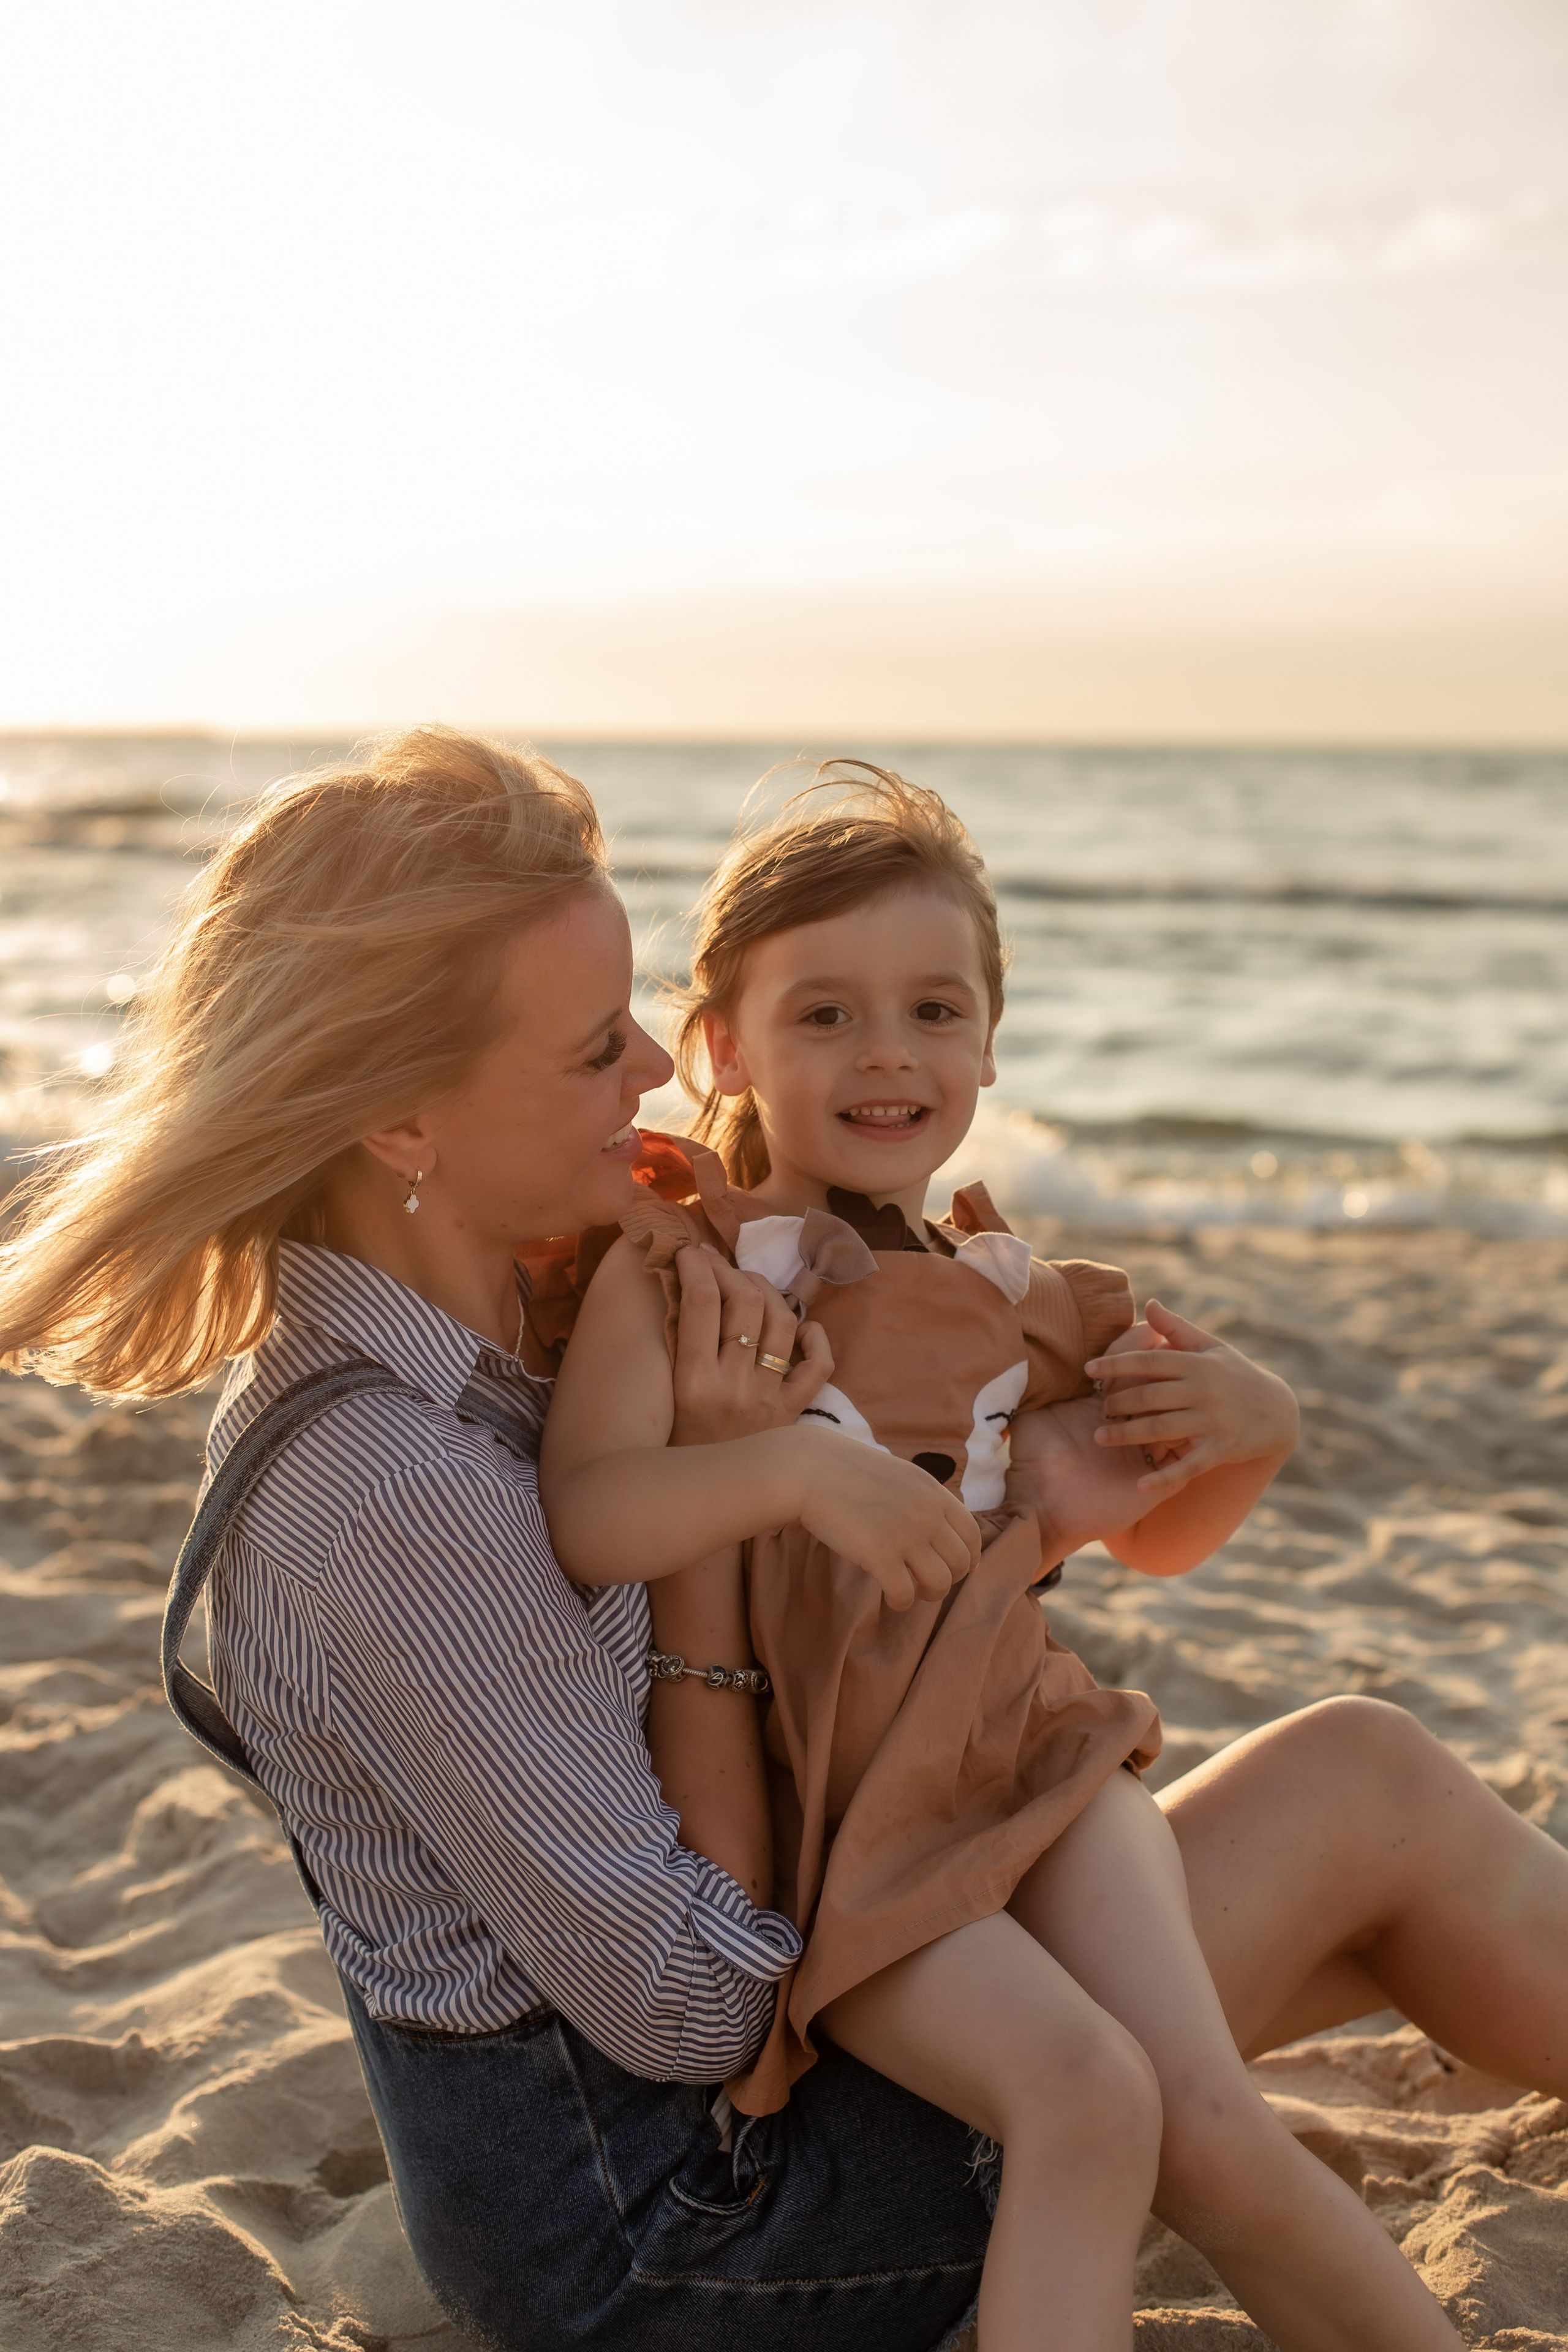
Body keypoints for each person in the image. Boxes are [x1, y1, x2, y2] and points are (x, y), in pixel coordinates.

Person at [0, 726, 1562, 2352]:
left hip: (809, 1997)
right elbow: (695, 2009)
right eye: (594, 1048)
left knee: (1355, 1787)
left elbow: (865, 1576)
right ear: (401, 1118)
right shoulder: (391, 1491)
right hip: (684, 2217)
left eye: (639, 1022)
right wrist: (751, 1512)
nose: (652, 1072)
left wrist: (1021, 1510)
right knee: (1253, 1939)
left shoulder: (505, 1315)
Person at [536, 767, 1460, 2350]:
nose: (888, 1051)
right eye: (824, 1014)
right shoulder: (684, 1271)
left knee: (1210, 2121)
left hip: (1038, 1758)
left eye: (935, 1011)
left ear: (987, 1044)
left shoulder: (1015, 1293)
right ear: (721, 1047)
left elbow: (1156, 1535)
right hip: (849, 1833)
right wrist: (786, 1470)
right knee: (1088, 2101)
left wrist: (1262, 1429)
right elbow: (591, 1514)